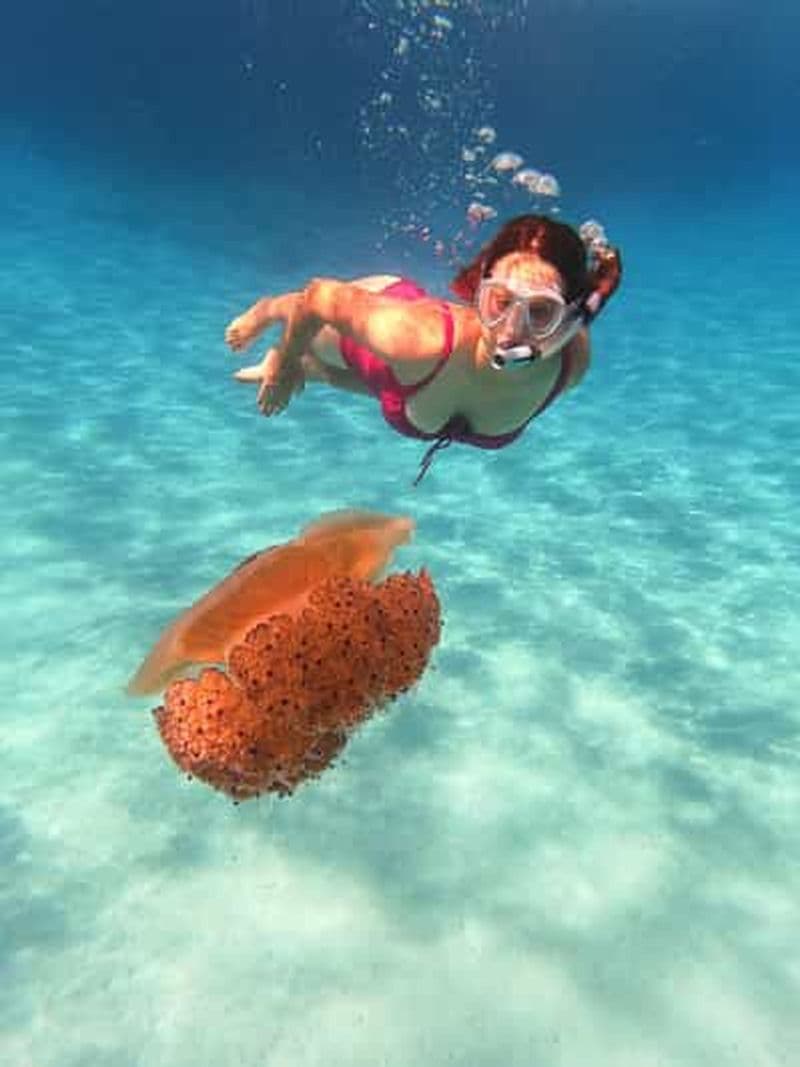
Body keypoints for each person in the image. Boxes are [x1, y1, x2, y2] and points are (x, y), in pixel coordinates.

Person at [226, 214, 622, 483]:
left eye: (540, 312)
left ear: (567, 319)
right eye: (500, 302)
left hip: (412, 388)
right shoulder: (415, 339)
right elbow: (318, 298)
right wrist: (282, 368)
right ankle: (268, 310)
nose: (510, 333)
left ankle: (310, 371)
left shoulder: (570, 362)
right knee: (305, 323)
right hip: (388, 328)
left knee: (393, 385)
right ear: (479, 289)